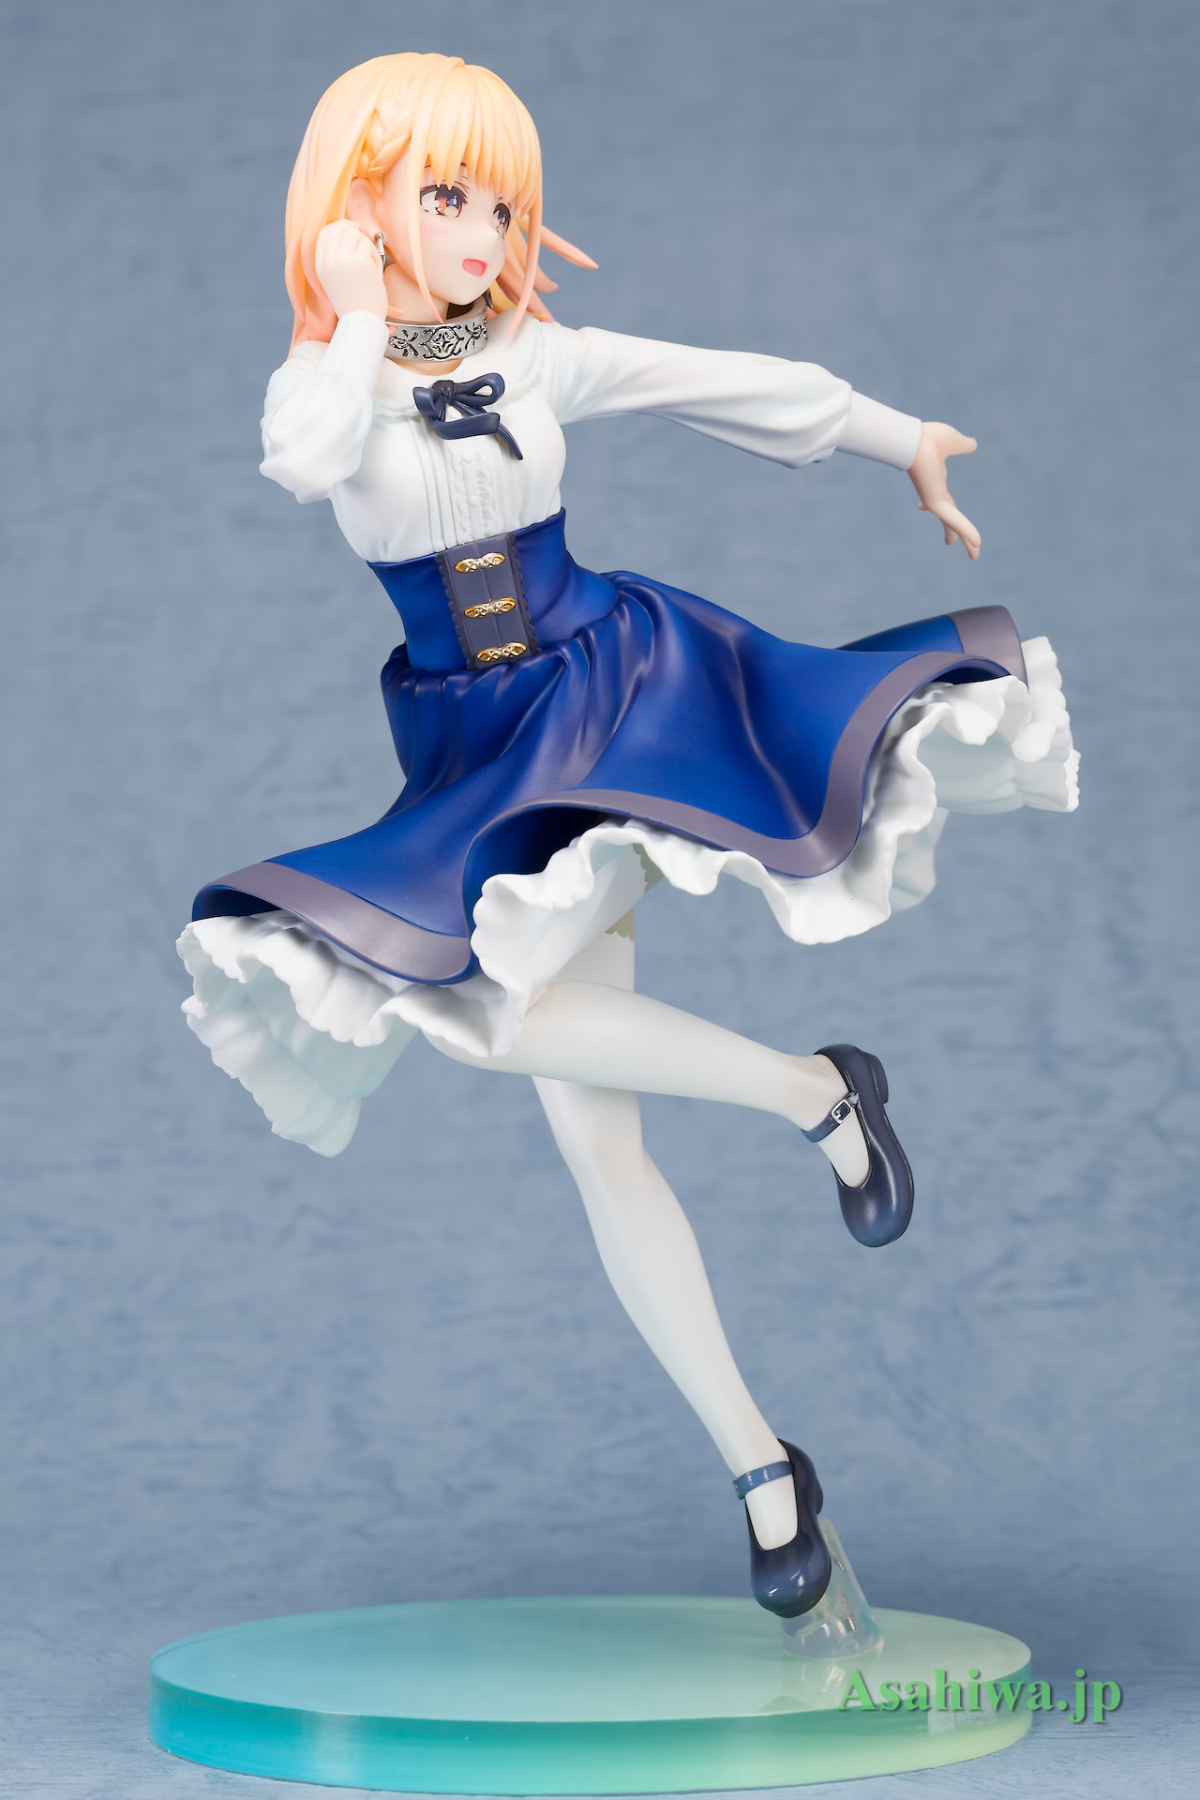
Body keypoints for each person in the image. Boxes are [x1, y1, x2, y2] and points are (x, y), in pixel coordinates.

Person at [177, 52, 1078, 1617]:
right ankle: (766, 1457)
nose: (482, 232)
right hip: (468, 744)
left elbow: (710, 380)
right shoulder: (329, 374)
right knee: (598, 1141)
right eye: (445, 194)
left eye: (502, 204)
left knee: (502, 1024)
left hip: (606, 696)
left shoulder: (530, 354)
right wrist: (356, 309)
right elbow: (305, 455)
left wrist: (896, 435)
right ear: (357, 199)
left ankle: (814, 1099)